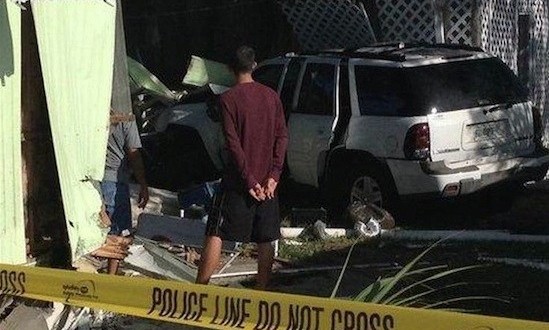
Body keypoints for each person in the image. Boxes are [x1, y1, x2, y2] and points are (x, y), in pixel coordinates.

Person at [196, 46, 289, 289]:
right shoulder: (272, 97)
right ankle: (261, 291)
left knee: (216, 231)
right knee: (266, 236)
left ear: (229, 69)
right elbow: (282, 136)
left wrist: (248, 180)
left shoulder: (228, 99)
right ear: (254, 65)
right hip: (268, 181)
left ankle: (200, 288)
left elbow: (233, 143)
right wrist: (274, 175)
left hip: (239, 181)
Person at [100, 112, 149, 275]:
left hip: (91, 177)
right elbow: (133, 153)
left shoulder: (90, 108)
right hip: (114, 181)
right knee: (118, 232)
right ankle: (110, 277)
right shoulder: (127, 118)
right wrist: (143, 185)